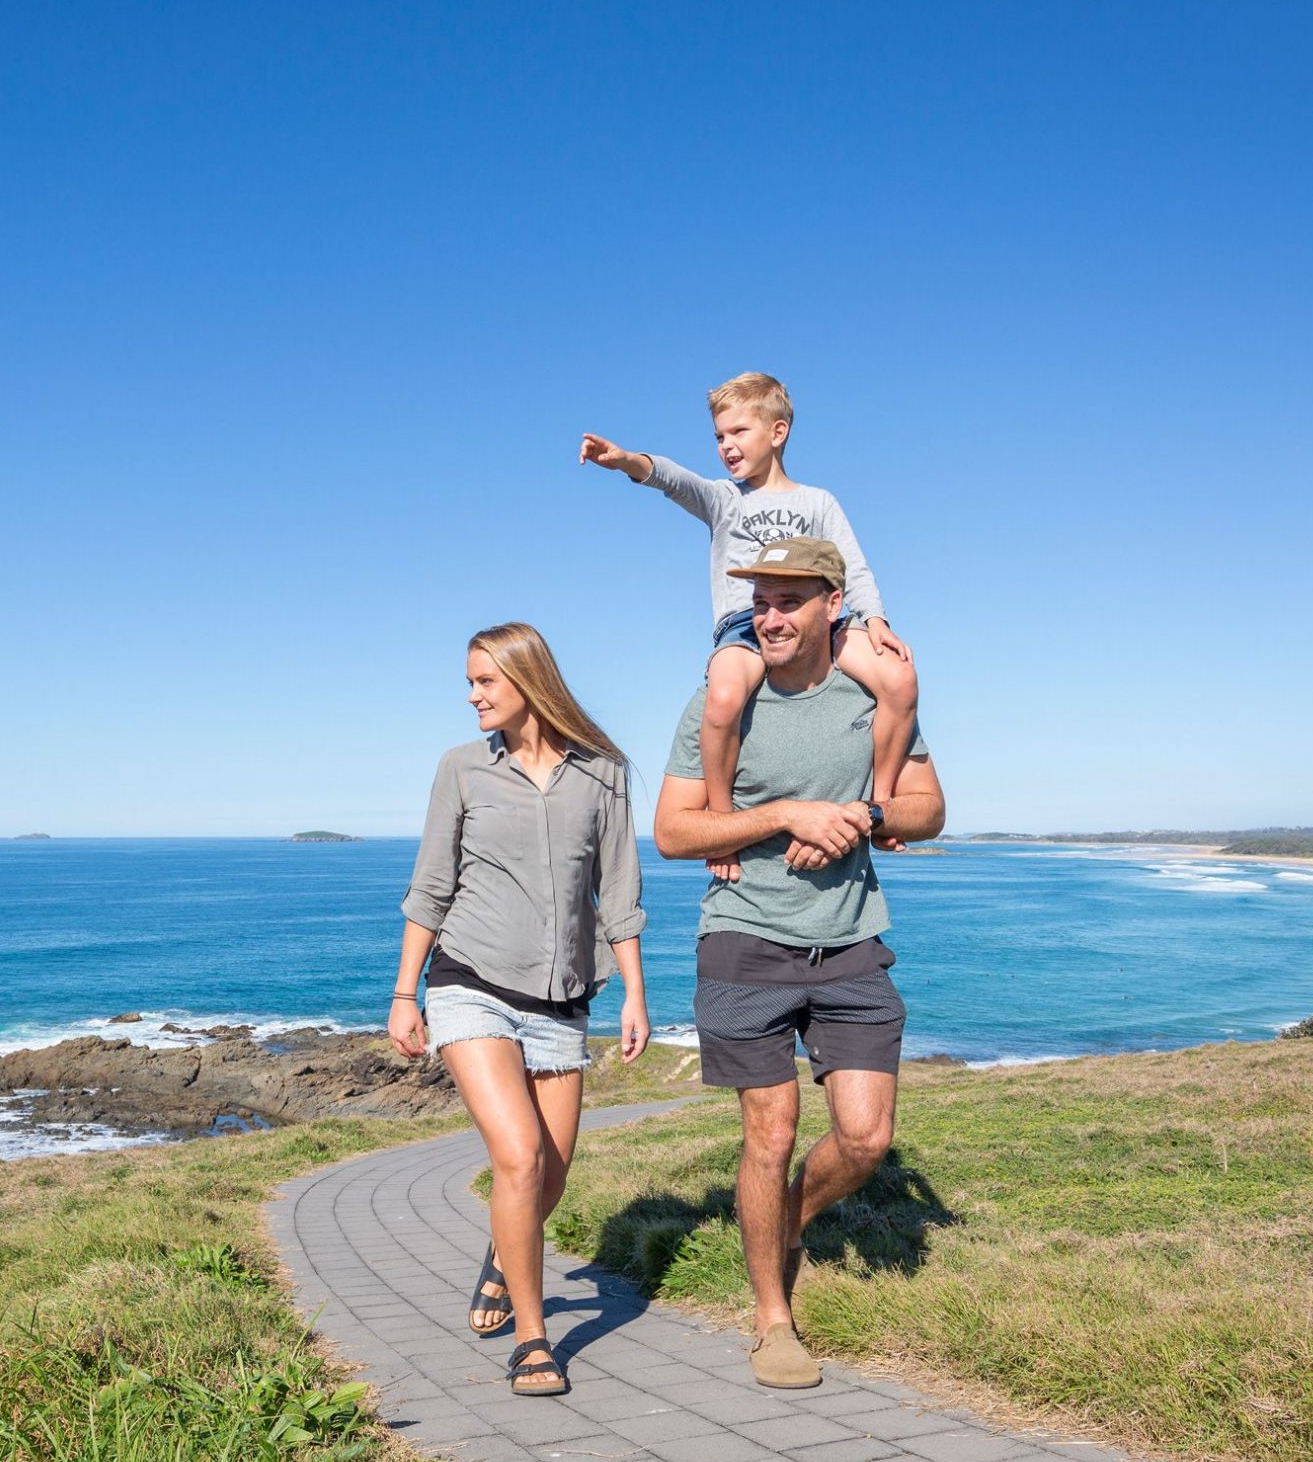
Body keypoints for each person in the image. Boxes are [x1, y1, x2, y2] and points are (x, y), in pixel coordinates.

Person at [650, 536, 945, 1389]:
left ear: (831, 607)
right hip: (744, 936)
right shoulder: (721, 700)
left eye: (788, 601)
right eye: (760, 603)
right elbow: (675, 831)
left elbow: (928, 809)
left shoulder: (871, 698)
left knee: (866, 1137)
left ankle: (784, 1222)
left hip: (851, 939)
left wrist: (862, 813)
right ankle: (773, 1318)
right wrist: (784, 813)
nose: (769, 617)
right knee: (769, 1131)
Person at [391, 622, 651, 1397]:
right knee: (519, 1155)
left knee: (553, 1174)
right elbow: (431, 884)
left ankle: (506, 1254)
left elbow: (620, 890)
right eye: (469, 682)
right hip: (468, 981)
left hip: (564, 999)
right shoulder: (462, 769)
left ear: (526, 680)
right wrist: (406, 992)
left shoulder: (604, 772)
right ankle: (535, 1341)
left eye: (484, 681)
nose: (471, 695)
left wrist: (636, 991)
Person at [582, 372, 920, 879]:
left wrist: (875, 618)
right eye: (719, 436)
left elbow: (852, 565)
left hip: (822, 623)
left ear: (777, 432)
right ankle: (723, 818)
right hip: (745, 625)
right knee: (722, 698)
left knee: (899, 678)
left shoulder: (818, 503)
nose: (726, 446)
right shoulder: (725, 499)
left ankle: (883, 802)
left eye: (738, 432)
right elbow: (675, 480)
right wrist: (628, 461)